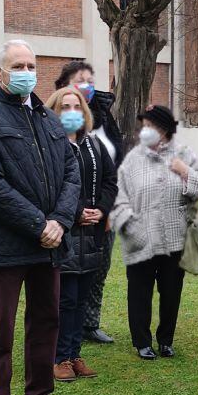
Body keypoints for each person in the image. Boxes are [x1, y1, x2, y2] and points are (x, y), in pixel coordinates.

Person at [0, 40, 82, 395]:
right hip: (8, 245)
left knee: (46, 321)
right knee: (2, 327)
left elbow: (70, 172)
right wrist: (38, 224)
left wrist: (60, 221)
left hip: (49, 244)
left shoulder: (47, 119)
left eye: (31, 65)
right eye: (18, 65)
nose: (26, 71)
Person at [110, 105, 198, 360]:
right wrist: (131, 227)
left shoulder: (183, 154)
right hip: (140, 239)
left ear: (165, 129)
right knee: (139, 292)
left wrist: (186, 172)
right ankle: (142, 341)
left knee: (171, 292)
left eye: (152, 126)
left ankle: (166, 340)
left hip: (174, 238)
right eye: (144, 125)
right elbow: (118, 197)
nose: (146, 131)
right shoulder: (132, 159)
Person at [45, 88, 118, 382]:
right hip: (64, 233)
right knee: (65, 300)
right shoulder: (49, 144)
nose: (72, 111)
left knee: (82, 298)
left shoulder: (94, 145)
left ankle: (75, 354)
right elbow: (49, 186)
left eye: (77, 106)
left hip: (92, 236)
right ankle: (59, 357)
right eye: (65, 106)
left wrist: (100, 209)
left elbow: (110, 181)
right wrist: (76, 212)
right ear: (54, 110)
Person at [55, 61, 123, 344]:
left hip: (101, 212)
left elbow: (112, 171)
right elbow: (59, 179)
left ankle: (88, 325)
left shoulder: (103, 122)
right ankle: (64, 337)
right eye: (80, 80)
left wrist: (105, 209)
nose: (87, 85)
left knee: (97, 270)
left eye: (90, 80)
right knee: (67, 283)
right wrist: (79, 210)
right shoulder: (54, 132)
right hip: (68, 217)